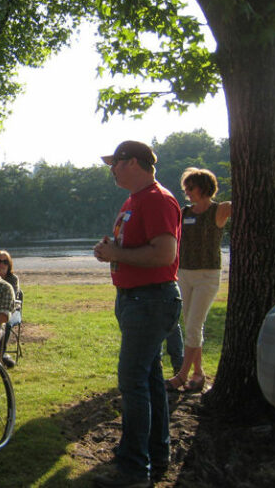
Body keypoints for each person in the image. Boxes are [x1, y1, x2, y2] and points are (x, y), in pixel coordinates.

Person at [93, 141, 182, 488]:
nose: (111, 170)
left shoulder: (158, 198)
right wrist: (110, 250)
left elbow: (164, 254)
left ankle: (134, 471)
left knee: (132, 380)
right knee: (149, 380)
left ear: (132, 162)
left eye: (115, 163)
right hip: (135, 299)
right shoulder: (133, 200)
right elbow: (132, 247)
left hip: (151, 300)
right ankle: (157, 454)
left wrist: (117, 253)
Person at [164, 168, 231, 393]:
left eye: (190, 188)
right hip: (184, 273)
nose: (187, 192)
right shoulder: (184, 212)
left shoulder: (219, 210)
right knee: (192, 325)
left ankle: (182, 375)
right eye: (185, 188)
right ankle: (198, 373)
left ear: (203, 187)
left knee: (194, 325)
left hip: (207, 276)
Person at [0, 249, 21, 367]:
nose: (1, 264)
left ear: (9, 264)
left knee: (7, 322)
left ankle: (0, 353)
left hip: (12, 310)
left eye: (5, 262)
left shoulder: (13, 279)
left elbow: (12, 299)